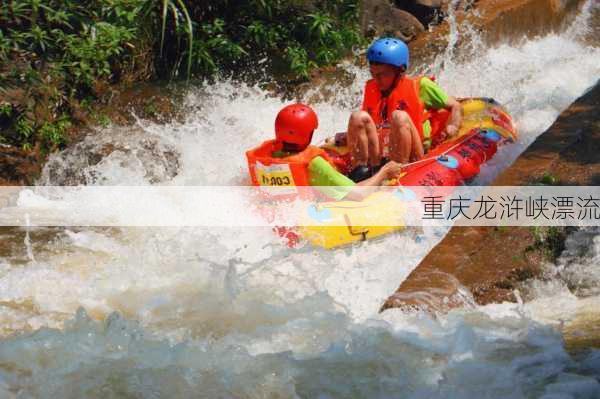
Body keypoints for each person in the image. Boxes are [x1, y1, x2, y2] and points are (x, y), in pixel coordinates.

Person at [346, 37, 463, 182]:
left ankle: (396, 177)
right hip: (380, 155)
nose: (377, 79)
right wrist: (345, 135)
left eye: (383, 74)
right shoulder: (372, 88)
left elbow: (455, 105)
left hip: (412, 155)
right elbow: (372, 124)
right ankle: (361, 174)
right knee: (358, 116)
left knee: (399, 117)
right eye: (373, 74)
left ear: (400, 71)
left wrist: (453, 125)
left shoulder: (421, 86)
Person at [246, 103, 403, 201]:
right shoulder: (314, 164)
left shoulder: (270, 156)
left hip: (285, 206)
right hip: (316, 212)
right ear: (308, 134)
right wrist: (385, 171)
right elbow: (359, 194)